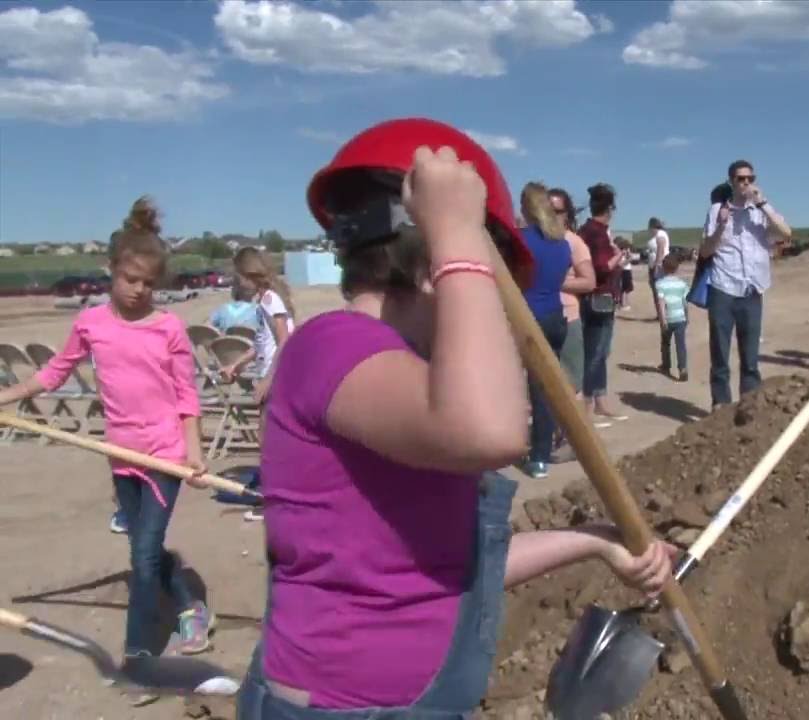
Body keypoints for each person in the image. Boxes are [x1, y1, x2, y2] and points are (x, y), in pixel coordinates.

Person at [236, 118, 675, 720]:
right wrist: (460, 233)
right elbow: (491, 431)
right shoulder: (331, 346)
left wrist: (595, 542)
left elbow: (456, 565)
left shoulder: (407, 383)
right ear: (433, 267)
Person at [0, 196, 214, 705]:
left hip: (163, 458)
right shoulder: (91, 323)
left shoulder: (169, 328)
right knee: (143, 549)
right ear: (111, 271)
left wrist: (195, 452)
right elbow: (55, 372)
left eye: (148, 283)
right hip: (122, 455)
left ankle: (139, 661)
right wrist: (7, 395)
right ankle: (189, 604)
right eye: (130, 279)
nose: (139, 291)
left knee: (142, 558)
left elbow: (187, 395)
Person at [700, 159, 792, 407]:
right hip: (723, 287)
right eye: (741, 179)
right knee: (720, 352)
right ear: (731, 182)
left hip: (753, 289)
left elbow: (786, 233)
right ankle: (721, 404)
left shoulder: (760, 212)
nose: (746, 183)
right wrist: (721, 225)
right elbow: (706, 251)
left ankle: (749, 405)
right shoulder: (716, 210)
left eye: (750, 178)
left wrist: (762, 204)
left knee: (750, 356)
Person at [518, 182, 590, 479]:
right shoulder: (561, 243)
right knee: (547, 388)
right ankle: (543, 453)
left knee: (522, 387)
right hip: (555, 318)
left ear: (526, 208)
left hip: (528, 319)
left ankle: (527, 452)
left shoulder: (521, 240)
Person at [577, 183, 629, 426]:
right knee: (595, 354)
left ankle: (599, 402)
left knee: (598, 353)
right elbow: (601, 267)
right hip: (599, 298)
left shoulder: (588, 230)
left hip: (596, 298)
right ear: (610, 208)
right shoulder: (597, 233)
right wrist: (620, 256)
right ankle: (588, 408)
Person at [547, 188, 595, 454]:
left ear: (567, 214)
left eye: (557, 211)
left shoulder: (572, 242)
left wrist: (557, 281)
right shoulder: (538, 241)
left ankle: (574, 441)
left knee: (571, 383)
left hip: (567, 317)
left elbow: (589, 281)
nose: (552, 216)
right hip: (539, 318)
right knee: (545, 383)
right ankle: (554, 435)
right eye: (547, 210)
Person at [220, 247, 296, 405]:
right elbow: (260, 344)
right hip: (270, 374)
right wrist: (235, 365)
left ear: (249, 275)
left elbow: (284, 340)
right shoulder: (264, 301)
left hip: (276, 377)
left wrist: (268, 380)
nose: (239, 283)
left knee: (267, 427)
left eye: (239, 277)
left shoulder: (270, 299)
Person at [654, 253, 690, 381]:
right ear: (677, 268)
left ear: (663, 268)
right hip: (680, 318)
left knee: (665, 343)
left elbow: (661, 303)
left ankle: (666, 365)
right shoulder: (682, 284)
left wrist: (662, 319)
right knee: (681, 344)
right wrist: (687, 316)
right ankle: (683, 368)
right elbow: (685, 302)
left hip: (668, 318)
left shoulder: (660, 284)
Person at [646, 217, 670, 318]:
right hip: (653, 266)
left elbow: (661, 249)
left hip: (659, 266)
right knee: (657, 291)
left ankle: (664, 314)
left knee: (660, 291)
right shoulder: (656, 235)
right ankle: (660, 313)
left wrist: (657, 264)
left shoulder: (660, 234)